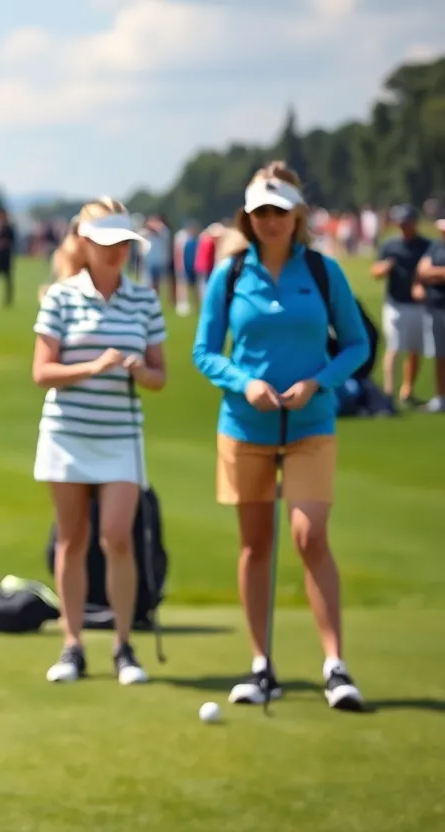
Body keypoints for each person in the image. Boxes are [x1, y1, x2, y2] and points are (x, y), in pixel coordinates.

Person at [191, 161, 368, 711]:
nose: (270, 220)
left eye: (280, 211)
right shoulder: (229, 274)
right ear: (248, 217)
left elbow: (357, 344)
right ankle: (261, 663)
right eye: (261, 212)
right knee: (256, 544)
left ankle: (335, 664)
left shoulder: (322, 271)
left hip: (310, 422)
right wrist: (244, 383)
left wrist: (319, 382)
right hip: (245, 425)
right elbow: (204, 352)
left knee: (309, 536)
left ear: (298, 216)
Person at [31, 197, 168, 685]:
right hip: (68, 433)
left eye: (123, 243)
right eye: (106, 243)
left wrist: (139, 370)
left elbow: (160, 377)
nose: (116, 252)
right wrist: (93, 367)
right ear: (84, 243)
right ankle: (72, 645)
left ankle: (124, 646)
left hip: (120, 434)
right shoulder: (61, 296)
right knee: (72, 539)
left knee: (117, 537)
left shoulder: (144, 299)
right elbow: (42, 372)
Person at [372, 204, 432, 408]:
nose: (403, 227)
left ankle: (407, 390)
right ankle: (389, 394)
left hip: (419, 305)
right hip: (395, 304)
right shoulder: (390, 245)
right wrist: (384, 268)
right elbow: (375, 271)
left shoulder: (426, 246)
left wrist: (422, 284)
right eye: (401, 223)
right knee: (394, 347)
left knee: (415, 349)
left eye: (406, 223)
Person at [415, 215, 445, 412]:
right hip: (436, 306)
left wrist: (434, 273)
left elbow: (429, 272)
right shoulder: (435, 246)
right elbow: (422, 270)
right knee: (440, 354)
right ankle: (441, 397)